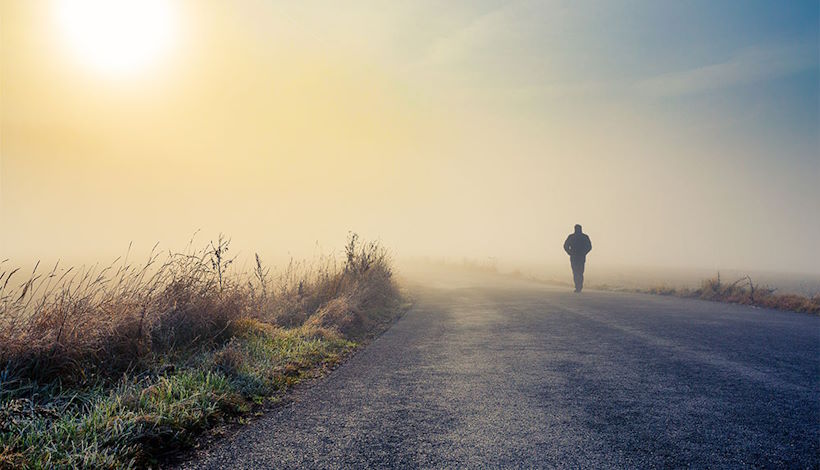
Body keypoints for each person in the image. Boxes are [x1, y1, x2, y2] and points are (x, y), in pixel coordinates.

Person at [563, 224, 592, 292]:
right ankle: (579, 287)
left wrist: (569, 252)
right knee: (579, 272)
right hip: (579, 256)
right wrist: (584, 253)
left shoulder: (572, 237)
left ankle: (578, 287)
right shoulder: (584, 237)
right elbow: (589, 247)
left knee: (576, 272)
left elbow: (565, 246)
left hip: (575, 256)